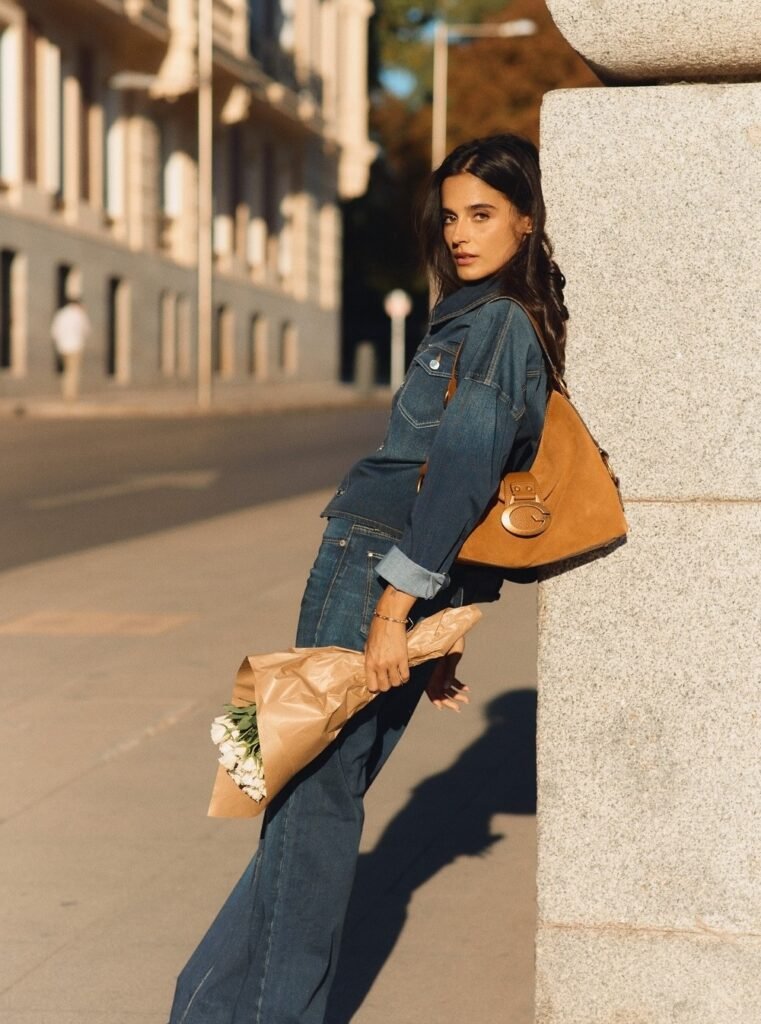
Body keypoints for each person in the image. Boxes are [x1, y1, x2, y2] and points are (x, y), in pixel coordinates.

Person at [168, 133, 568, 1024]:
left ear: (527, 222)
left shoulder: (498, 322)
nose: (460, 234)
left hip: (369, 569)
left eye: (484, 215)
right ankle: (203, 1006)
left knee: (307, 802)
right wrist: (433, 627)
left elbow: (463, 471)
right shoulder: (470, 314)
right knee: (286, 778)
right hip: (384, 571)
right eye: (451, 215)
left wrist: (397, 608)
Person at [50, 297, 90, 400]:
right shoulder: (79, 314)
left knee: (66, 370)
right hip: (75, 346)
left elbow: (54, 332)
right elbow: (86, 330)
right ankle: (71, 395)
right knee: (73, 371)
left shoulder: (61, 314)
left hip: (63, 347)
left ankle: (66, 392)